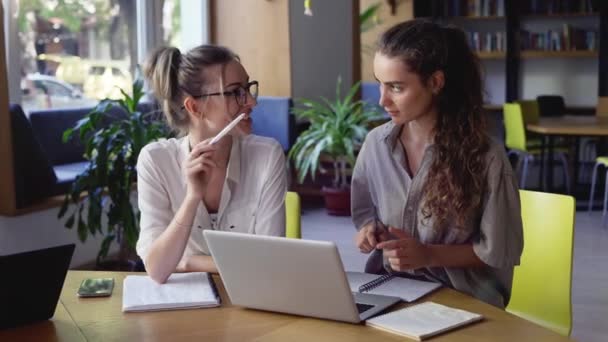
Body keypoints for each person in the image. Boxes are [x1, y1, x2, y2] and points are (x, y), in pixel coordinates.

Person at [352, 20, 523, 308]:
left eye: (396, 87)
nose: (382, 100)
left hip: (462, 299)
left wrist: (429, 255)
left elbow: (497, 252)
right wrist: (372, 231)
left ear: (435, 83)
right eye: (380, 84)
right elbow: (366, 215)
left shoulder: (486, 157)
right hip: (392, 290)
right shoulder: (375, 145)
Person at [137, 45, 287, 283]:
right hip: (182, 309)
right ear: (195, 107)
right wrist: (192, 196)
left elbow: (269, 260)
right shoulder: (155, 161)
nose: (251, 102)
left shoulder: (267, 155)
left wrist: (186, 261)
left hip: (251, 298)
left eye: (248, 89)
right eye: (236, 92)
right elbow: (157, 269)